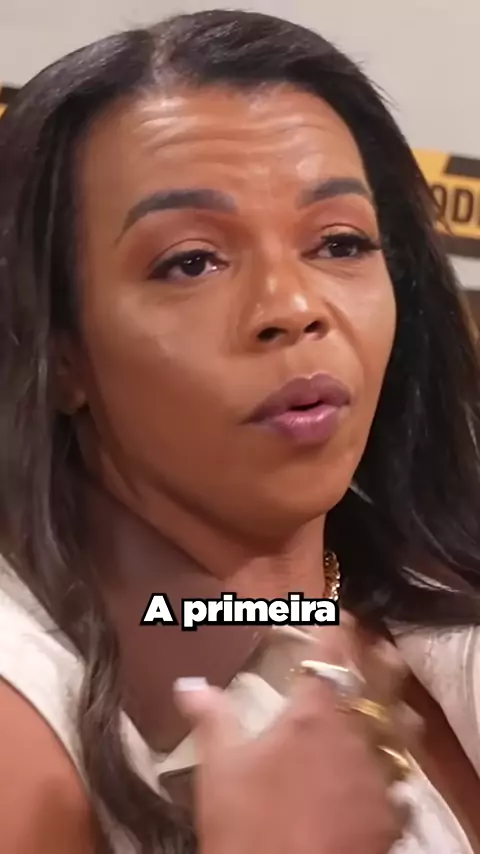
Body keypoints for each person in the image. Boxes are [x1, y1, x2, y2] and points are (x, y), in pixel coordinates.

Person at [0, 9, 479, 854]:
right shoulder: (25, 712)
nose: (292, 307)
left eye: (339, 243)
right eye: (191, 261)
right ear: (61, 350)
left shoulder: (434, 598)